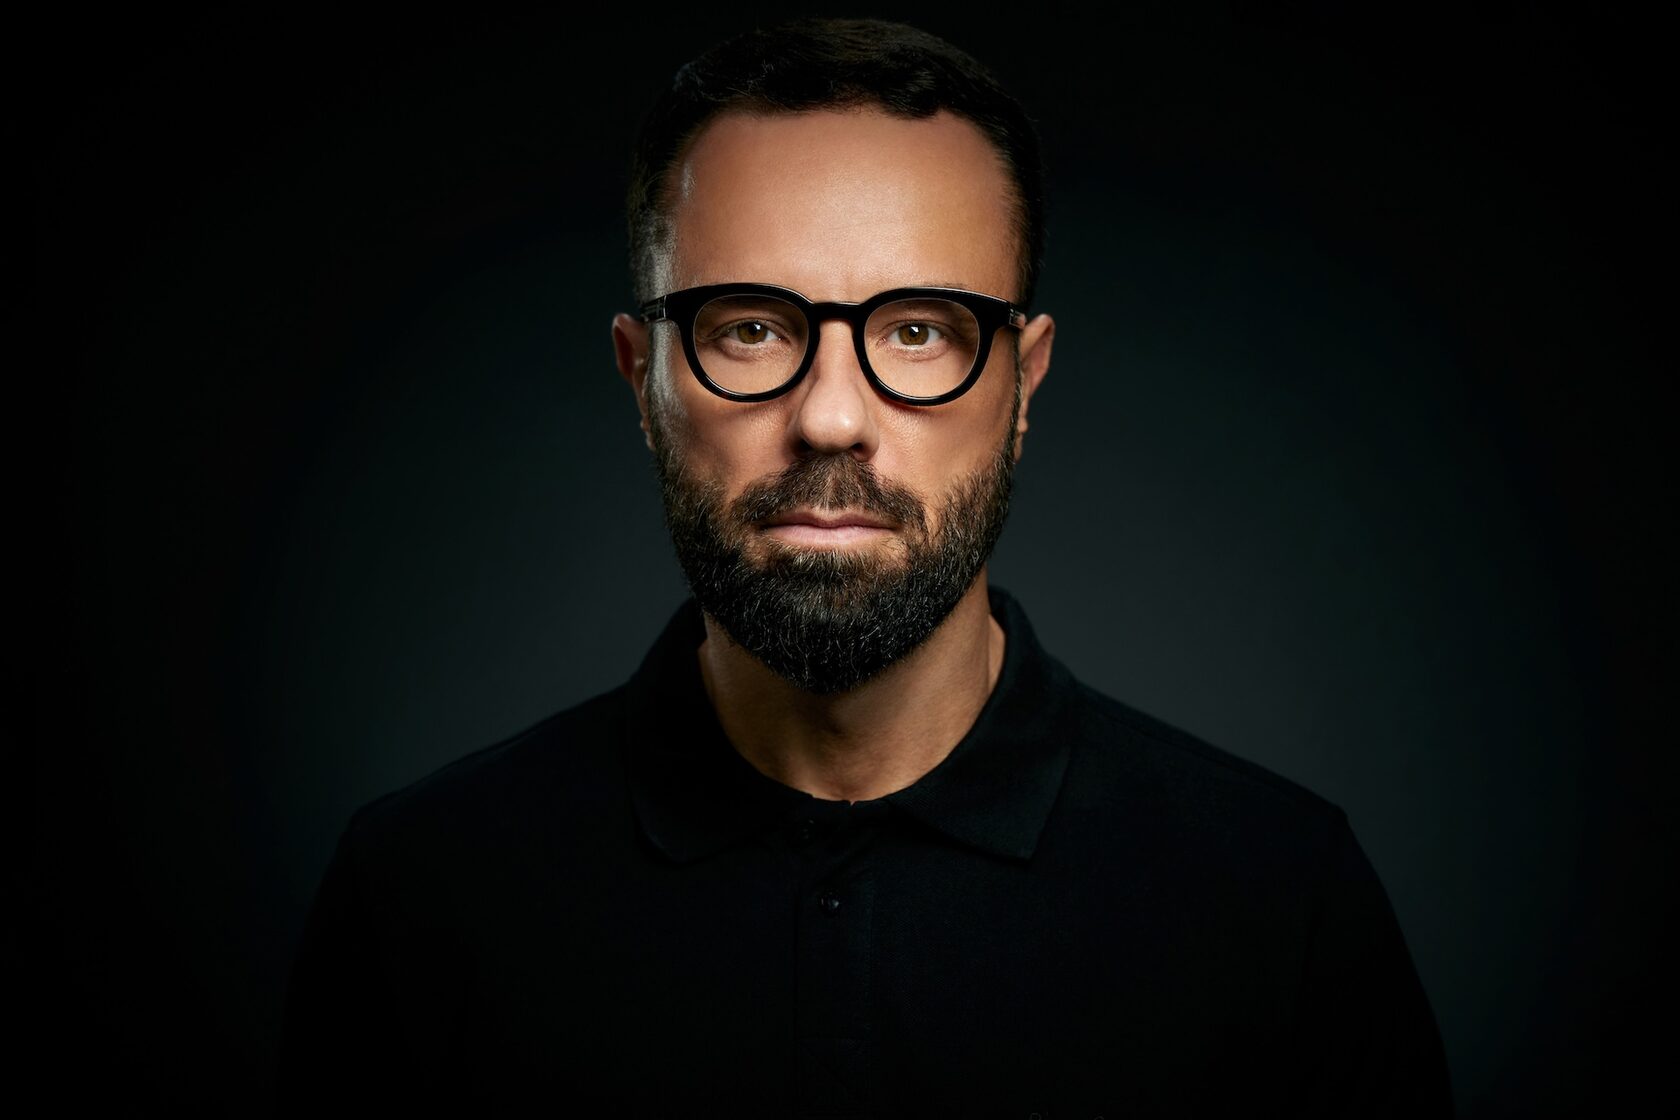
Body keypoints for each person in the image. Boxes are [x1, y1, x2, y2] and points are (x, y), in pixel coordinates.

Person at [280, 17, 1452, 1116]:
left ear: (1025, 382)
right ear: (643, 379)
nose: (831, 418)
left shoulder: (1281, 901)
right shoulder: (418, 897)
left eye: (919, 330)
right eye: (751, 327)